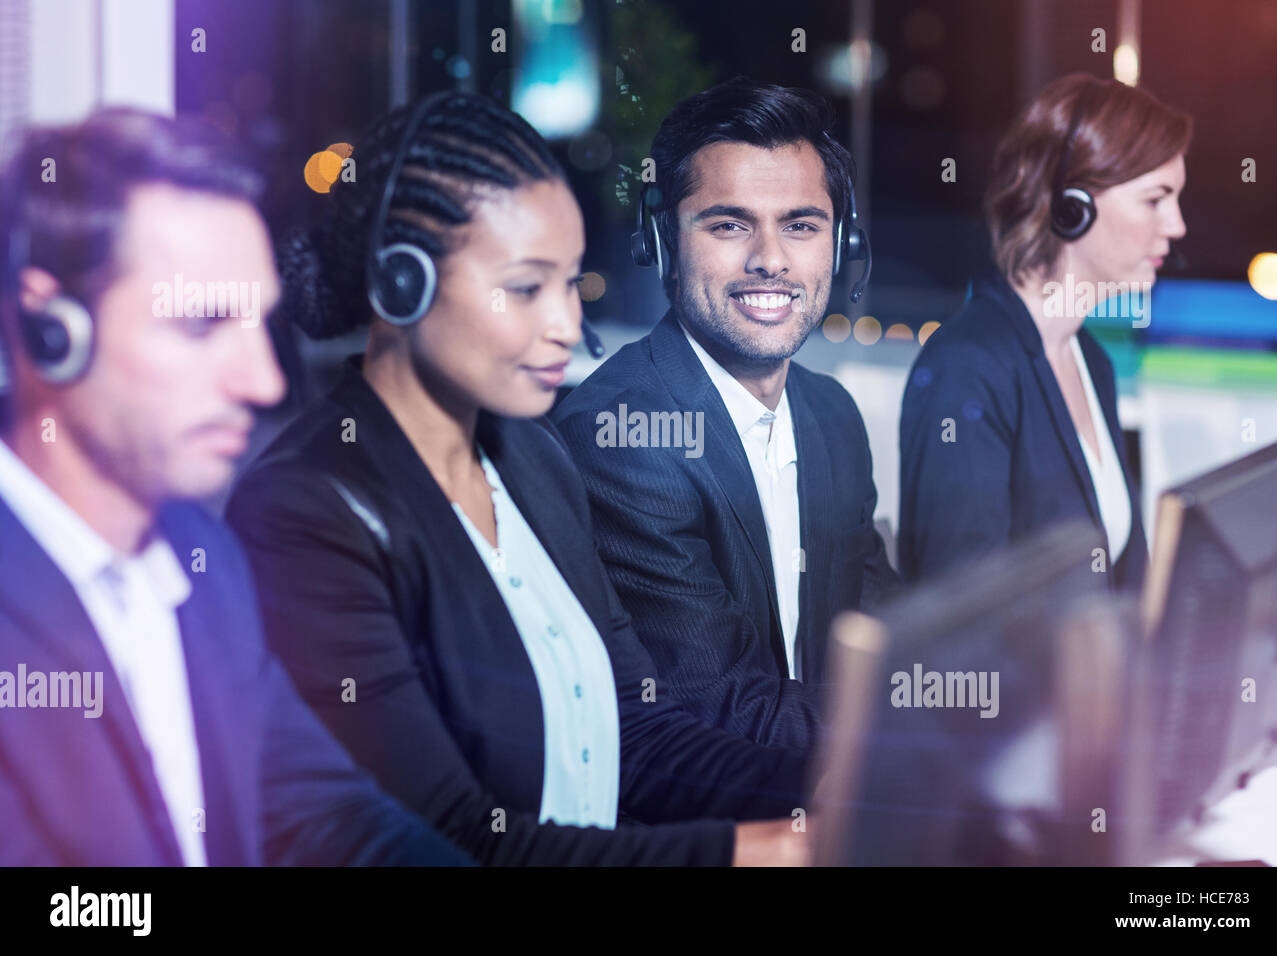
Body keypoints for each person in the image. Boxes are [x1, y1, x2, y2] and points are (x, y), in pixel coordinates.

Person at [224, 91, 811, 866]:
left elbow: (639, 731)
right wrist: (758, 854)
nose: (567, 323)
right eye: (528, 287)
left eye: (570, 283)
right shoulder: (305, 515)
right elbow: (445, 839)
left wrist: (850, 789)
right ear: (404, 285)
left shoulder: (532, 459)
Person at [0, 109, 471, 865]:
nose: (263, 381)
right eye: (202, 325)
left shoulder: (200, 558)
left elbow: (327, 818)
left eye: (259, 325)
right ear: (48, 328)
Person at [554, 78, 901, 750]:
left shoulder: (832, 418)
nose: (771, 260)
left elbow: (886, 638)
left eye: (801, 226)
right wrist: (922, 744)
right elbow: (728, 716)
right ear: (662, 242)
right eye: (729, 225)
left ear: (841, 244)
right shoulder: (624, 438)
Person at [898, 74, 1190, 589]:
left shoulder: (1088, 359)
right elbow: (960, 625)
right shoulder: (967, 369)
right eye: (1155, 200)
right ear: (1071, 206)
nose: (1177, 225)